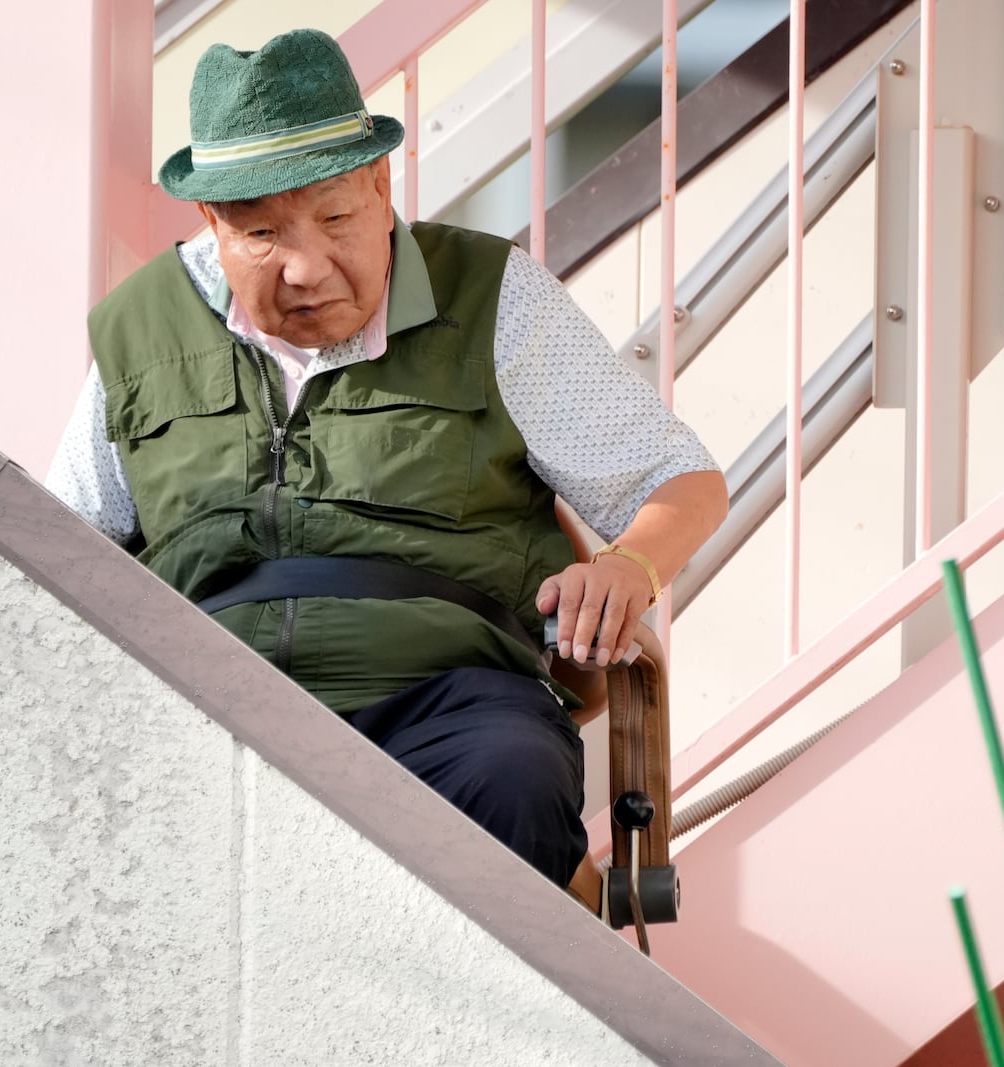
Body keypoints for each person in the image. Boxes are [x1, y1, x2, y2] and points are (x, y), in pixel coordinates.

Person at [46, 28, 727, 905]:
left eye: (336, 218)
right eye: (261, 233)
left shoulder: (493, 297)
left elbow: (680, 480)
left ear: (380, 185)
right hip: (204, 702)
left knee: (514, 773)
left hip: (445, 699)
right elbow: (55, 552)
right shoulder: (141, 330)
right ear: (212, 224)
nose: (307, 266)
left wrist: (629, 566)